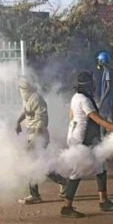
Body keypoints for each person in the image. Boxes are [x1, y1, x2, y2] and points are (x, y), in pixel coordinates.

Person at [61, 71, 113, 218]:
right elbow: (96, 119)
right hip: (82, 139)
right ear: (89, 85)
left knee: (101, 165)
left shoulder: (75, 97)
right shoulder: (85, 100)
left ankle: (104, 201)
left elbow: (71, 116)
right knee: (77, 171)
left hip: (79, 137)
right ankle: (66, 207)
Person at [16, 76, 67, 204]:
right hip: (32, 134)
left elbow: (42, 120)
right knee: (40, 164)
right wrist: (18, 121)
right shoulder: (26, 99)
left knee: (32, 164)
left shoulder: (37, 99)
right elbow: (26, 111)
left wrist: (35, 140)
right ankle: (62, 181)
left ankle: (35, 195)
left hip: (39, 135)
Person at [96, 51, 113, 126]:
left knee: (105, 118)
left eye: (99, 60)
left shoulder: (107, 72)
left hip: (108, 100)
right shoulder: (107, 71)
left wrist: (102, 99)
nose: (98, 62)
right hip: (110, 99)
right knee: (111, 117)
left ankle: (105, 135)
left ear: (102, 61)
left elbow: (108, 86)